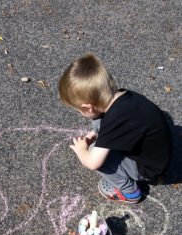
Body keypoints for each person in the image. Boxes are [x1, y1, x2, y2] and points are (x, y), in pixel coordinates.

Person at [58, 53, 172, 203]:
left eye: (78, 110)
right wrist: (94, 134)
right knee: (98, 124)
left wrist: (81, 151)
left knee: (96, 155)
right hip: (158, 152)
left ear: (88, 107)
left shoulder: (115, 120)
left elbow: (93, 162)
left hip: (149, 167)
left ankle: (130, 192)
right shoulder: (124, 96)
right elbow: (115, 125)